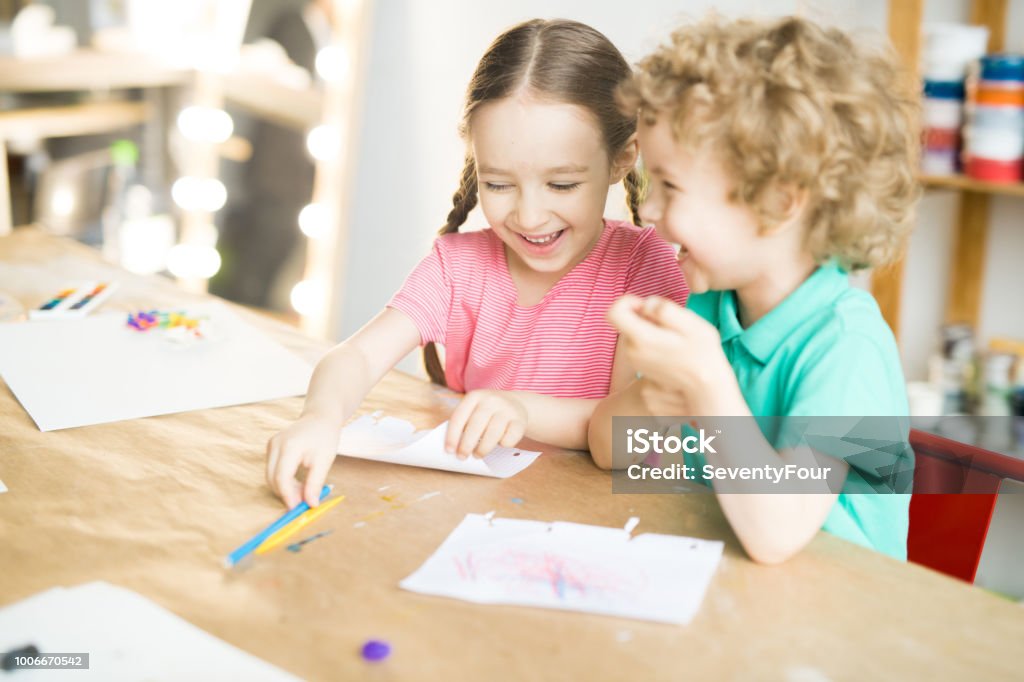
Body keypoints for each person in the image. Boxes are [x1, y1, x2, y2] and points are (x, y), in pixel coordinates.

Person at [267, 19, 688, 509]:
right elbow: (355, 357)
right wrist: (320, 417)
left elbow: (627, 431)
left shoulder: (648, 270)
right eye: (499, 185)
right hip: (462, 511)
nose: (529, 216)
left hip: (590, 519)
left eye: (562, 185)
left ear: (622, 160)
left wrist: (520, 409)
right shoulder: (456, 265)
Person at [590, 16, 919, 563]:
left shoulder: (846, 347)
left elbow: (775, 534)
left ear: (779, 202)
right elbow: (611, 450)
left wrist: (707, 384)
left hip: (838, 625)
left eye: (670, 186)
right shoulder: (707, 308)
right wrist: (650, 399)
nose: (646, 210)